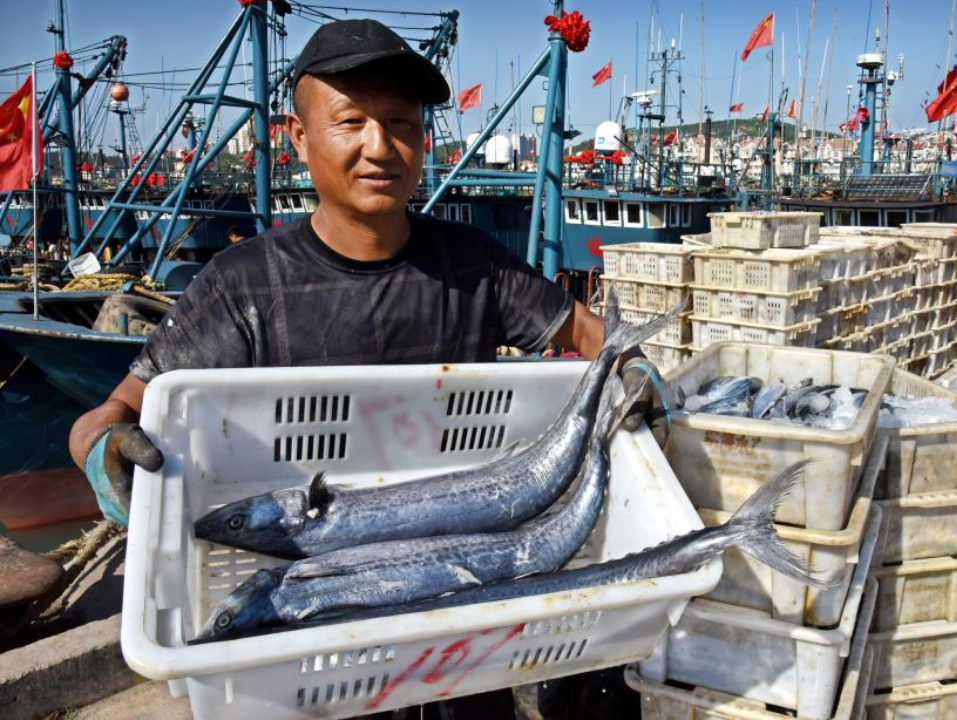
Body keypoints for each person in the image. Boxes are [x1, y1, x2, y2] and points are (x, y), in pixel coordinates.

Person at [70, 18, 666, 720]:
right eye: (351, 121)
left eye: (401, 123)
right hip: (312, 678)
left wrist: (633, 368)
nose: (380, 146)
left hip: (464, 653)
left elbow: (595, 337)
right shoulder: (241, 284)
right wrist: (103, 448)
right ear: (299, 137)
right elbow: (113, 413)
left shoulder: (473, 263)